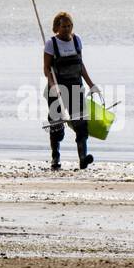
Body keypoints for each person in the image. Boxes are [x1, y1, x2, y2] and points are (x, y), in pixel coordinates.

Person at [43, 11, 101, 170]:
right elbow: (46, 69)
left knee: (81, 124)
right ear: (57, 27)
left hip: (76, 86)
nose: (67, 29)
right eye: (63, 26)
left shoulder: (77, 40)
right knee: (57, 126)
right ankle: (55, 157)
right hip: (57, 89)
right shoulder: (51, 44)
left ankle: (83, 158)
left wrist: (91, 84)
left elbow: (81, 65)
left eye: (69, 26)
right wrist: (53, 85)